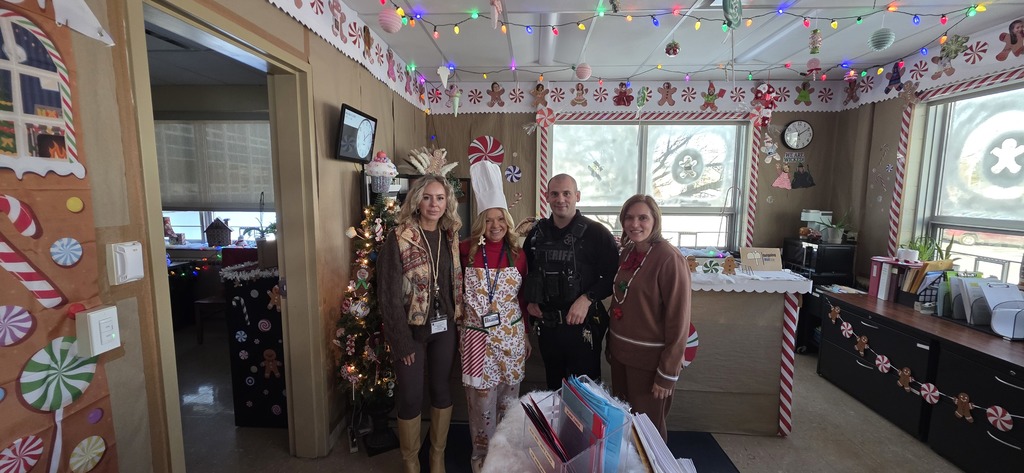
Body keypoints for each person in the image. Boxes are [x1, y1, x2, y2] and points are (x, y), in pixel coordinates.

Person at [378, 174, 463, 473]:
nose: (434, 204)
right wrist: (399, 340)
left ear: (447, 202)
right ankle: (411, 461)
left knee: (441, 390)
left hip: (445, 327)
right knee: (411, 395)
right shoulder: (399, 237)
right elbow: (387, 294)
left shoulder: (450, 237)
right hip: (411, 330)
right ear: (417, 200)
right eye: (427, 197)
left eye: (440, 198)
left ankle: (436, 456)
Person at [458, 158, 531, 472]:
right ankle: (481, 458)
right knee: (480, 404)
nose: (496, 225)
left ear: (508, 220)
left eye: (501, 219)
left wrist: (526, 333)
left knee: (508, 403)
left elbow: (524, 298)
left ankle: (505, 457)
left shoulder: (518, 253)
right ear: (480, 222)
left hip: (512, 337)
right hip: (477, 337)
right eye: (489, 220)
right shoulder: (464, 250)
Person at [607, 195, 691, 441]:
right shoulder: (628, 253)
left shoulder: (669, 258)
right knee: (625, 425)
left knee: (648, 432)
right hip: (622, 356)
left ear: (655, 220)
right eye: (629, 218)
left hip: (649, 363)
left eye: (643, 218)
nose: (635, 224)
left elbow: (679, 321)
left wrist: (667, 374)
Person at [523, 174, 618, 390]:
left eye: (567, 193)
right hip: (548, 326)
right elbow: (524, 270)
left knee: (586, 392)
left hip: (583, 327)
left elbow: (612, 275)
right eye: (555, 194)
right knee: (554, 388)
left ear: (577, 196)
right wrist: (530, 301)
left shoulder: (597, 233)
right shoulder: (536, 234)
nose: (560, 199)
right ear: (547, 197)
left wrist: (587, 298)